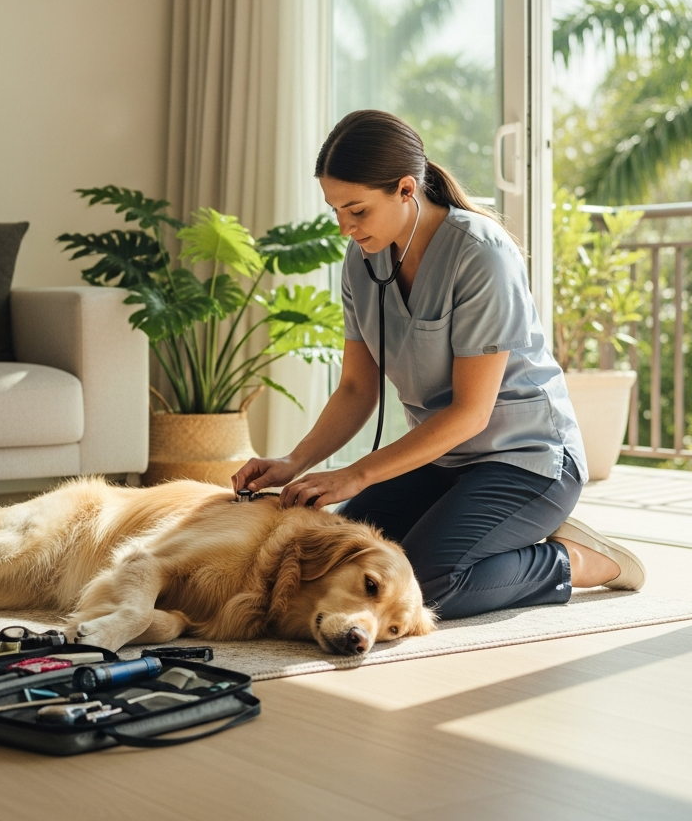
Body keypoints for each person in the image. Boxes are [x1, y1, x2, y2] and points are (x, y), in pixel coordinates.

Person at [232, 110, 644, 619]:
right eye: (335, 209)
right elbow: (358, 390)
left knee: (427, 582)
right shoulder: (362, 260)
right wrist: (295, 463)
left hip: (526, 460)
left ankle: (573, 559)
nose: (344, 226)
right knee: (343, 560)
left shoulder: (479, 253)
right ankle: (495, 533)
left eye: (356, 210)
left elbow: (471, 413)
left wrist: (356, 475)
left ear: (406, 189)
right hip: (443, 462)